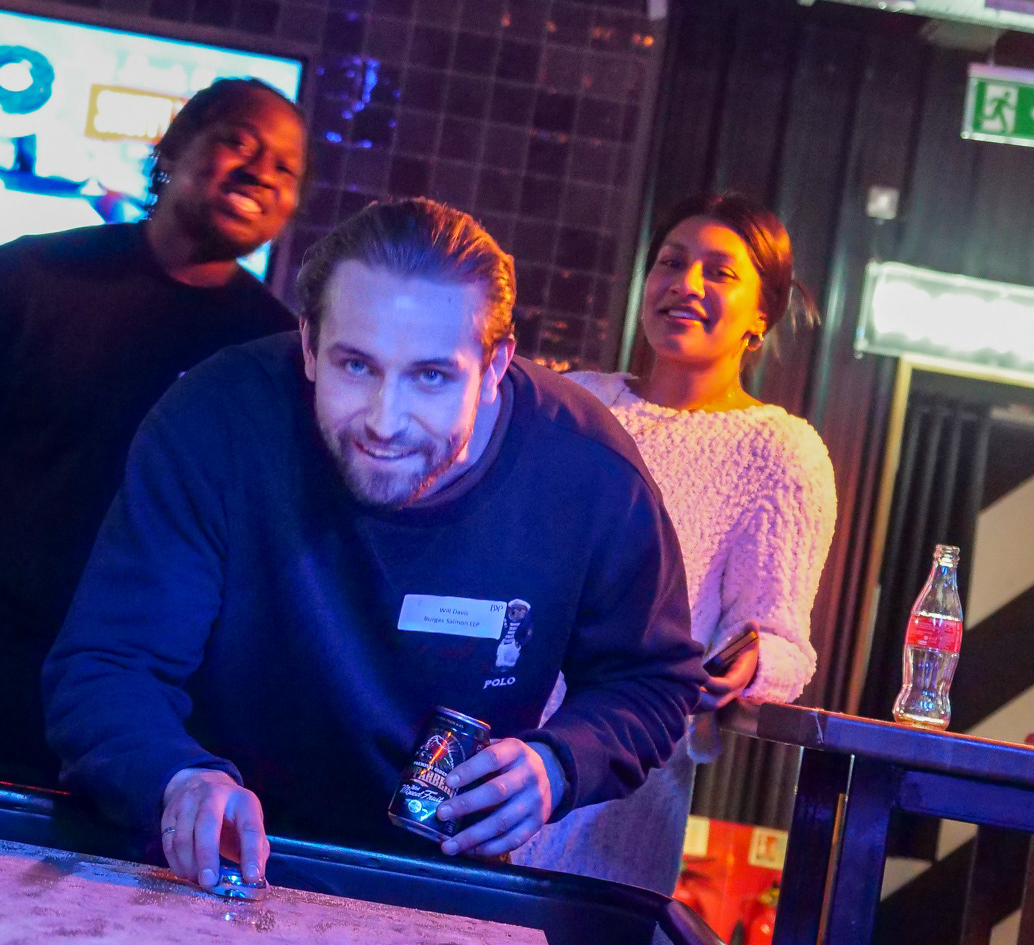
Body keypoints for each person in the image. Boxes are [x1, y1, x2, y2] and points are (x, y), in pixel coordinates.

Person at [43, 197, 705, 891]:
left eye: (431, 376)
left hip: (435, 885)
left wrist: (561, 764)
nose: (386, 422)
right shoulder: (216, 420)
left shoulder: (588, 470)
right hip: (211, 867)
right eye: (356, 366)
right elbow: (108, 664)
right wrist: (175, 777)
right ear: (308, 345)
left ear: (495, 364)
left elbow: (651, 679)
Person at [0, 77, 307, 787]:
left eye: (286, 168)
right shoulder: (20, 278)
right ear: (171, 150)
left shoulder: (278, 356)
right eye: (238, 142)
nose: (262, 172)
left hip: (156, 725)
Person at [512, 192, 837, 892]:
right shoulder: (572, 402)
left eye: (719, 272)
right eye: (670, 262)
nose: (685, 284)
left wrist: (749, 662)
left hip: (619, 776)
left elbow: (782, 641)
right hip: (492, 738)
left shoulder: (780, 451)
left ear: (761, 314)